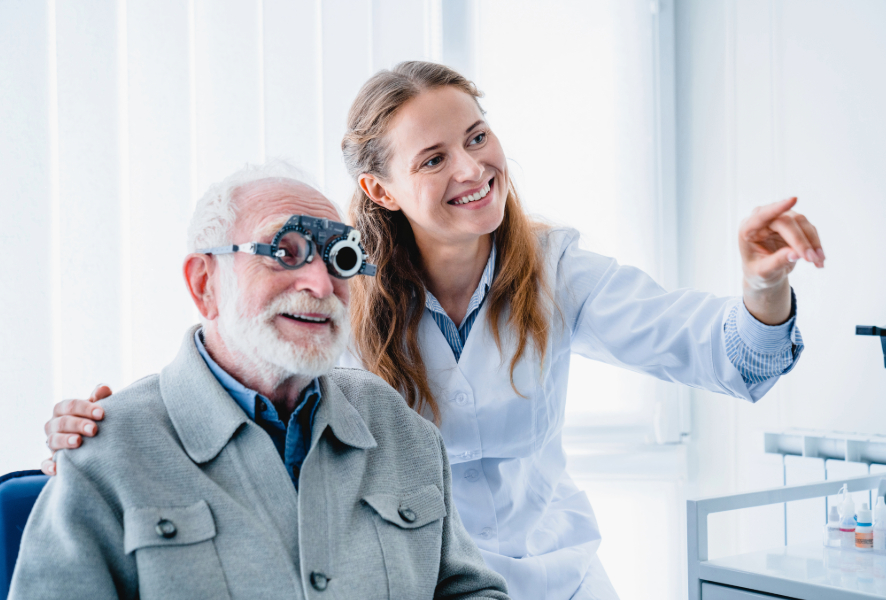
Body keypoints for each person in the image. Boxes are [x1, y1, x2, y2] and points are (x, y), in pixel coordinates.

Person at [43, 62, 824, 599]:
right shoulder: (339, 293)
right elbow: (244, 361)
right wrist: (103, 432)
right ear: (378, 187)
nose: (472, 169)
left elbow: (726, 356)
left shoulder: (556, 269)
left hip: (557, 579)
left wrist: (763, 286)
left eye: (478, 137)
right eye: (435, 157)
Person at [13, 163, 510, 600]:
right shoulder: (106, 452)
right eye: (283, 251)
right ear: (205, 283)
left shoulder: (403, 430)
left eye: (338, 256)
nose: (319, 284)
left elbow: (471, 591)